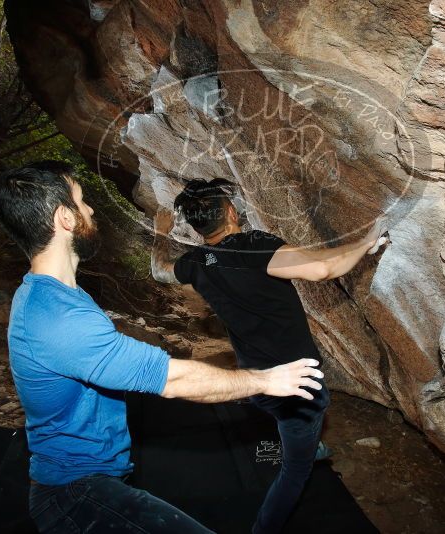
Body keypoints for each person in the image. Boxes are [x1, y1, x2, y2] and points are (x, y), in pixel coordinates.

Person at [0, 161, 325, 534]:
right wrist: (265, 380)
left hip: (96, 480)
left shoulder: (53, 296)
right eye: (82, 203)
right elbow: (172, 379)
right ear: (65, 219)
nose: (90, 210)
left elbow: (161, 272)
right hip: (74, 493)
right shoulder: (57, 319)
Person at [151, 179, 389, 534]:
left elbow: (157, 269)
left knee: (287, 420)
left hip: (256, 380)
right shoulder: (254, 246)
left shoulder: (196, 262)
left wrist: (160, 233)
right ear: (231, 213)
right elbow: (322, 269)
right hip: (296, 383)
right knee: (296, 469)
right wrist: (366, 242)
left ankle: (308, 443)